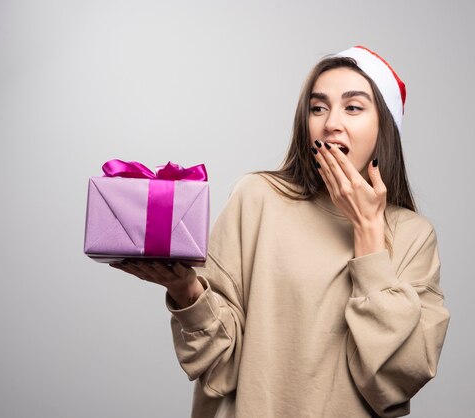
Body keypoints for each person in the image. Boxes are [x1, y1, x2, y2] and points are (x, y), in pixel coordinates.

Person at [110, 45, 450, 418]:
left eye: (353, 107)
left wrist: (368, 229)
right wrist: (186, 291)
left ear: (384, 128)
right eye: (318, 108)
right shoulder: (256, 199)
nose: (331, 123)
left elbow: (395, 380)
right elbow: (219, 369)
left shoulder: (414, 236)